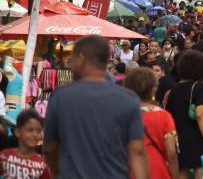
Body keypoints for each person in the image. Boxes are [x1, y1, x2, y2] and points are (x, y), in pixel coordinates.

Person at [44, 35, 148, 179]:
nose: (71, 63)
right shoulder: (129, 99)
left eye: (71, 59)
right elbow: (137, 151)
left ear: (81, 58)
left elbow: (50, 148)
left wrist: (57, 173)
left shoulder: (61, 97)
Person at [166, 50, 203, 179]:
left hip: (178, 137)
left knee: (183, 169)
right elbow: (200, 114)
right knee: (200, 168)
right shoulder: (199, 87)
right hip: (195, 136)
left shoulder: (174, 89)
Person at [124, 67, 179, 179]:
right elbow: (171, 153)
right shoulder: (163, 116)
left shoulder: (120, 115)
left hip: (129, 168)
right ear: (153, 89)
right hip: (157, 170)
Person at [0, 109, 52, 179]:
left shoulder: (41, 165)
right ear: (18, 132)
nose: (35, 134)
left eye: (38, 131)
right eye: (30, 130)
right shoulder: (4, 156)